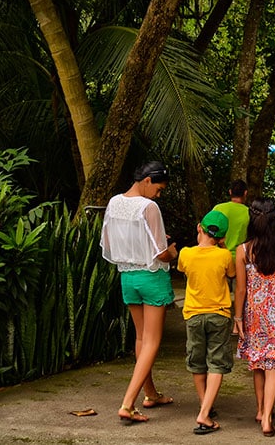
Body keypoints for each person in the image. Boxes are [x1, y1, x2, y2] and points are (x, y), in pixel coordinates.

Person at [100, 161, 179, 425]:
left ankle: (150, 394)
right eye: (159, 188)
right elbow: (160, 253)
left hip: (127, 277)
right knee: (153, 342)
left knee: (141, 337)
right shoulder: (149, 207)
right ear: (147, 180)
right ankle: (127, 403)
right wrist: (173, 252)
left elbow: (109, 243)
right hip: (151, 277)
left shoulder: (114, 202)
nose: (159, 194)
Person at [234, 198, 275, 438]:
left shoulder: (243, 251)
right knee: (273, 367)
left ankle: (262, 411)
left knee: (258, 364)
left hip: (255, 314)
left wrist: (238, 318)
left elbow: (241, 290)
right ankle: (267, 418)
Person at [176, 210, 236, 435]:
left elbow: (182, 269)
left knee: (197, 362)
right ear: (222, 238)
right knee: (216, 363)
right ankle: (204, 412)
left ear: (199, 227)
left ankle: (205, 408)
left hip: (193, 315)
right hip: (219, 315)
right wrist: (222, 246)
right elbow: (231, 275)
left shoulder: (185, 254)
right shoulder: (224, 256)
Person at [212, 179, 250, 261]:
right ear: (245, 193)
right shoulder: (249, 213)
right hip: (238, 258)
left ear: (230, 192)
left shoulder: (218, 208)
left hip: (217, 257)